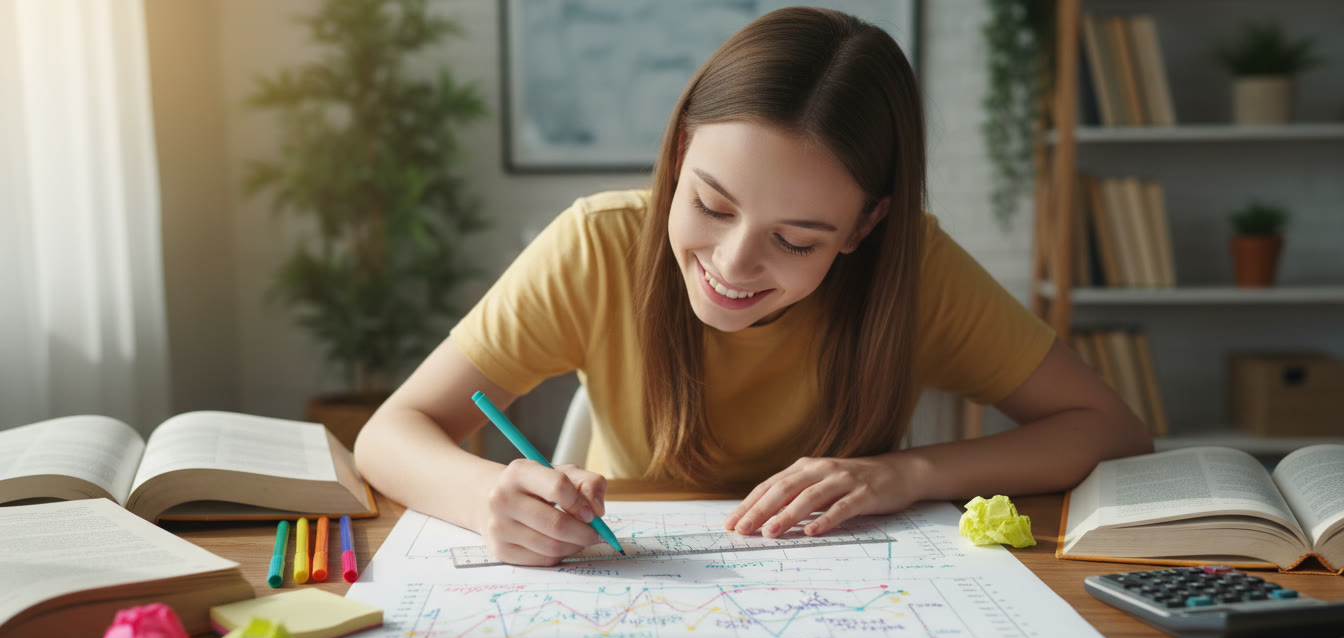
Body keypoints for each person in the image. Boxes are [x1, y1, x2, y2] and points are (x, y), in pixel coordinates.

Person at [354, 7, 1152, 566]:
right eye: (708, 203)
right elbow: (391, 432)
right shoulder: (598, 246)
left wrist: (908, 474)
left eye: (796, 240)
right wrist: (487, 496)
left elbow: (1108, 429)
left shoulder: (914, 270)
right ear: (677, 157)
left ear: (864, 227)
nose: (733, 265)